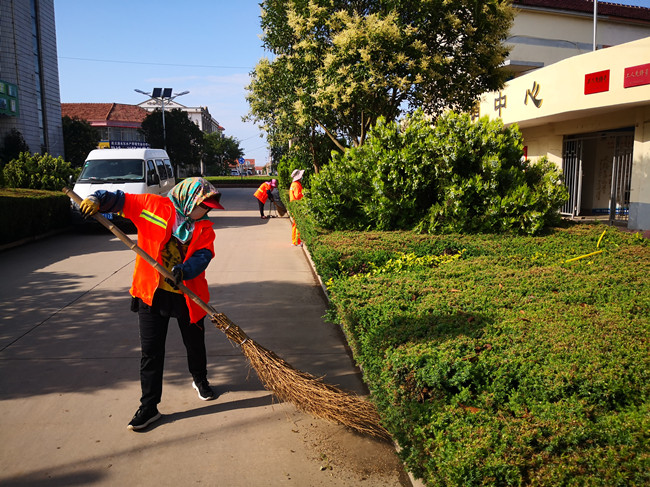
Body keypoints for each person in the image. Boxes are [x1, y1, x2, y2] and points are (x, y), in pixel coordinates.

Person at [79, 177, 224, 431]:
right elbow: (119, 200)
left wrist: (185, 270)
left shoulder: (204, 227)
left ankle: (200, 379)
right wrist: (96, 199)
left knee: (194, 343)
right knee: (151, 352)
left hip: (188, 294)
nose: (205, 211)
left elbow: (204, 255)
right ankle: (149, 406)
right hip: (151, 292)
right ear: (189, 199)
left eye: (208, 207)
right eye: (203, 205)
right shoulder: (151, 205)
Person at [289, 169, 304, 246]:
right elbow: (298, 196)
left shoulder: (293, 184)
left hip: (293, 205)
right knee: (297, 224)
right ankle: (297, 241)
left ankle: (295, 240)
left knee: (295, 224)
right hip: (297, 206)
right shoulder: (297, 185)